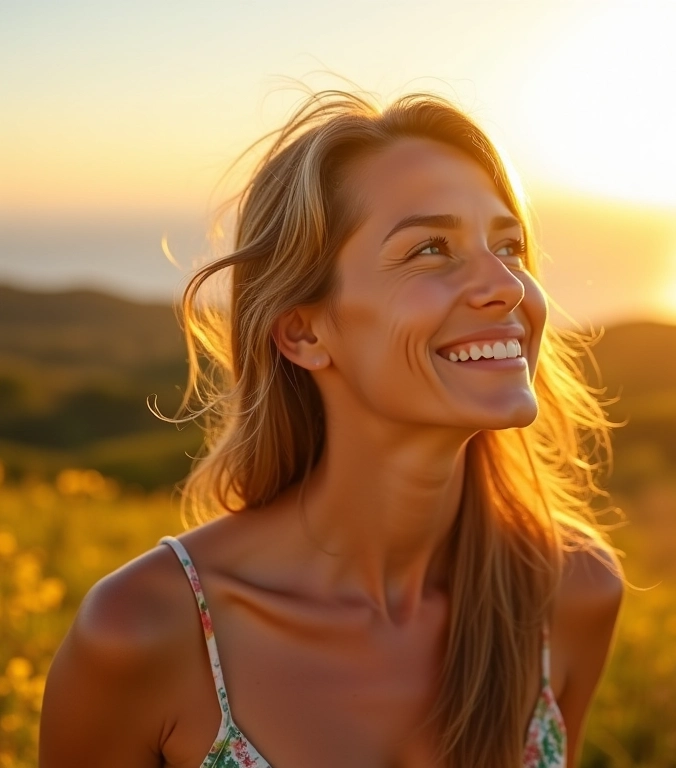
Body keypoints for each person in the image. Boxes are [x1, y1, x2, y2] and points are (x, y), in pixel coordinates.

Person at [40, 90, 623, 768]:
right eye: (431, 249)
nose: (506, 286)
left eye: (509, 245)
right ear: (303, 331)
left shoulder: (570, 593)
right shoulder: (144, 631)